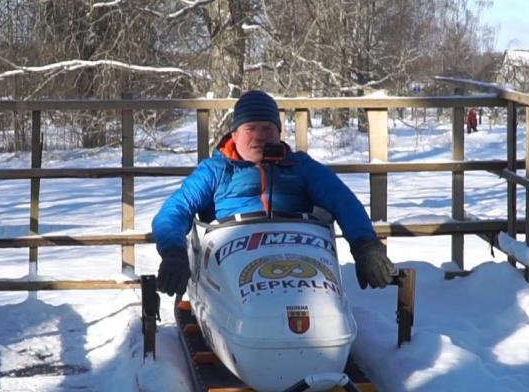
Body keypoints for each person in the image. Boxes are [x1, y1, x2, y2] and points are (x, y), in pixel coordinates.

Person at [152, 89, 395, 296]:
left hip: (297, 256)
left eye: (267, 127)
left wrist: (365, 245)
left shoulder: (300, 167)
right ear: (234, 135)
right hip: (231, 261)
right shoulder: (216, 170)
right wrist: (174, 252)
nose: (259, 135)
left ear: (279, 133)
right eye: (250, 128)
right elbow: (175, 210)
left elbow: (344, 201)